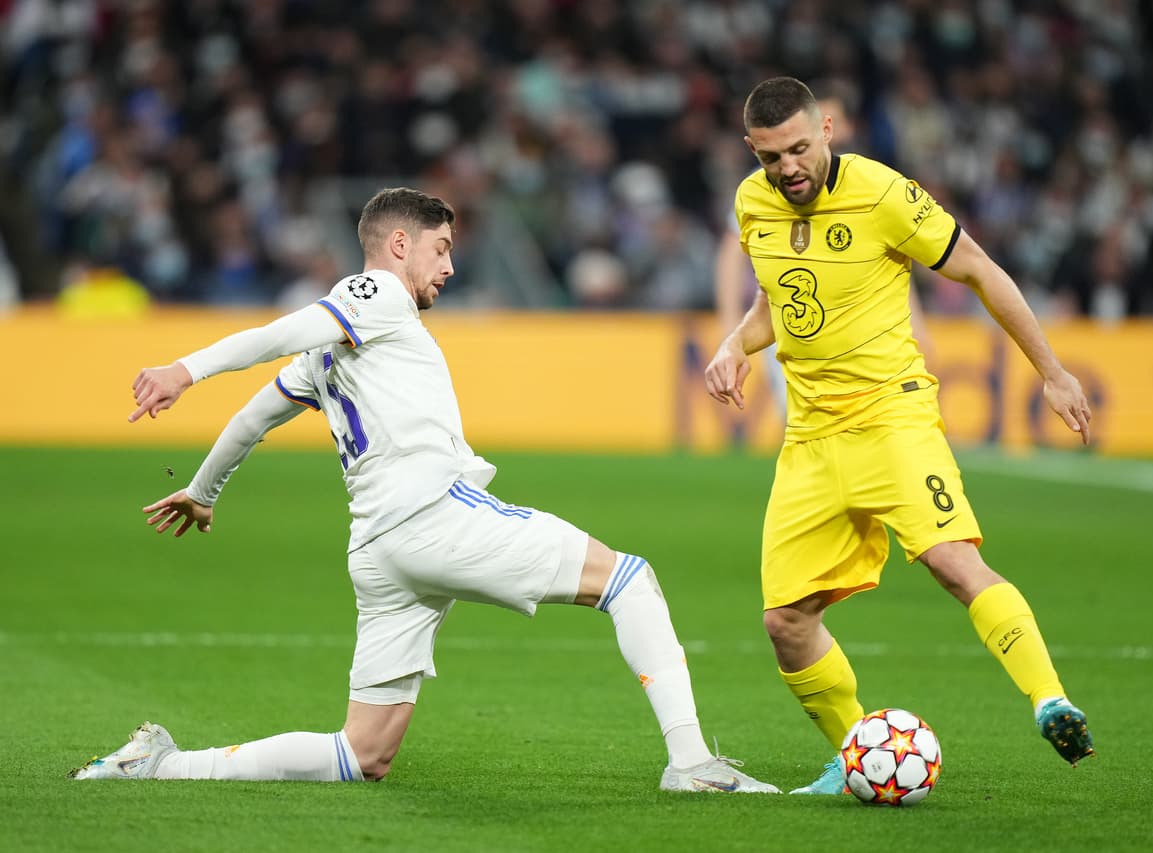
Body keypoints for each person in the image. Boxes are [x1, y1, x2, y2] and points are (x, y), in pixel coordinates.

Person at [71, 187, 777, 794]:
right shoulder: (373, 292)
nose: (448, 264)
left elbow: (256, 417)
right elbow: (279, 331)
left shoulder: (337, 350)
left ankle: (162, 765)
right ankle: (693, 762)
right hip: (436, 516)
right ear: (399, 243)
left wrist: (203, 487)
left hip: (380, 551)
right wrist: (183, 370)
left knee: (361, 753)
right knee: (630, 579)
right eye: (440, 248)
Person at [704, 78, 1095, 795]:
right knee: (786, 621)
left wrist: (1054, 371)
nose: (788, 168)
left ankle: (1049, 698)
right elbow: (778, 300)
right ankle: (854, 754)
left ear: (826, 129)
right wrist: (736, 343)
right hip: (812, 438)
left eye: (799, 149)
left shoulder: (884, 194)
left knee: (952, 560)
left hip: (892, 417)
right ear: (751, 151)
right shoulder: (751, 203)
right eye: (770, 157)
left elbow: (977, 267)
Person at [713, 79, 934, 418]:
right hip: (798, 331)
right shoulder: (766, 186)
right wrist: (732, 332)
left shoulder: (873, 185)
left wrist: (917, 325)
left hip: (867, 343)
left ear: (837, 127)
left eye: (833, 120)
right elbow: (733, 252)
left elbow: (894, 263)